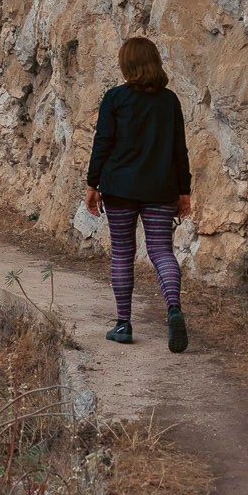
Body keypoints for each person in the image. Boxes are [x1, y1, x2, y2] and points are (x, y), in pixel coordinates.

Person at [84, 36, 193, 352]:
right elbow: (179, 151)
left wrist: (93, 184)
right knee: (161, 250)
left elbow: (102, 143)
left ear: (126, 65)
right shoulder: (169, 101)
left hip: (119, 187)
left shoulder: (115, 99)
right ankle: (173, 309)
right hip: (160, 188)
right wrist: (183, 191)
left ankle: (123, 324)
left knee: (122, 252)